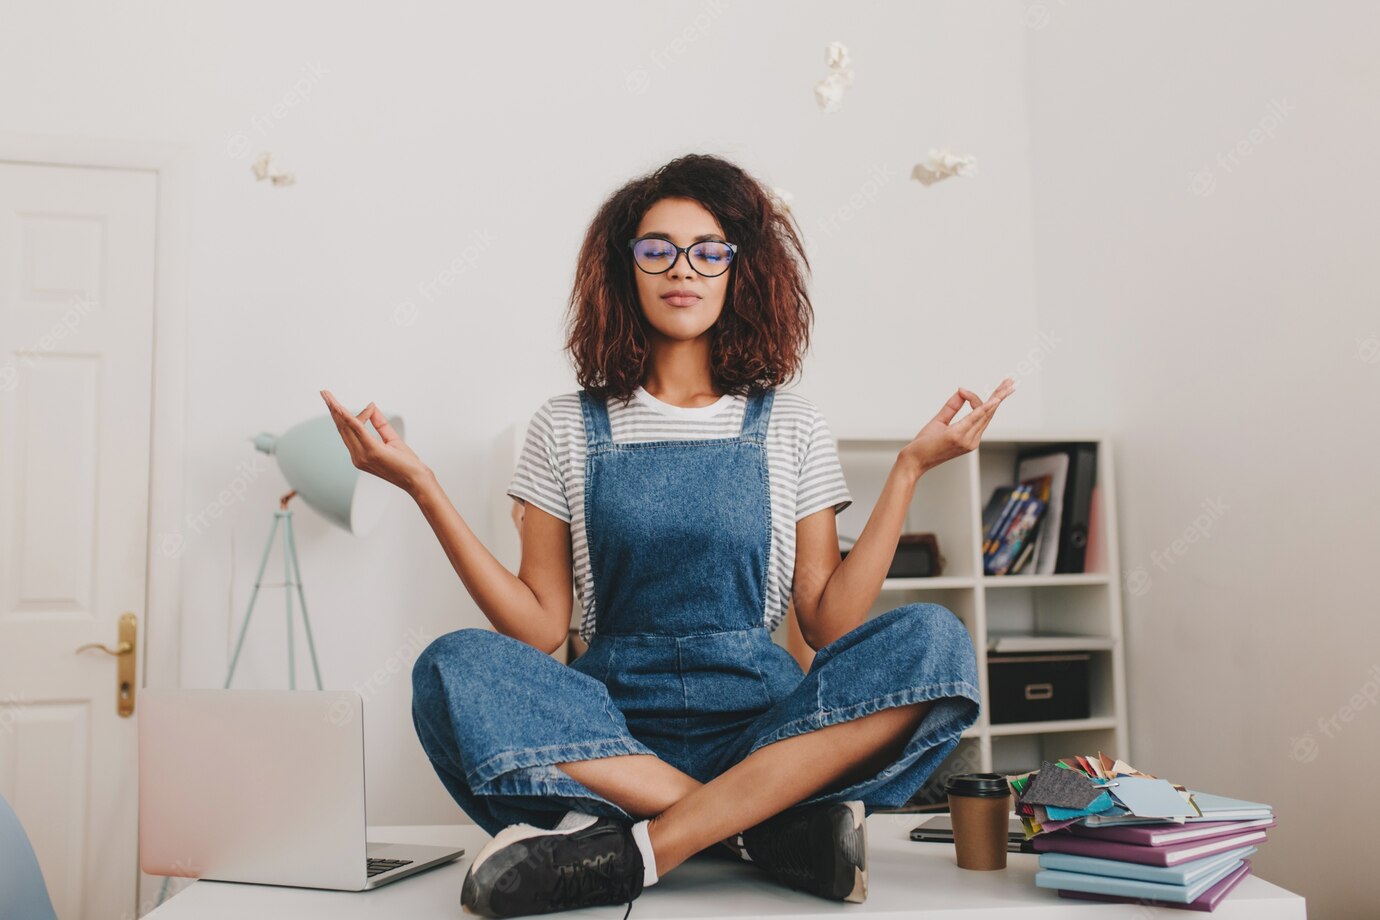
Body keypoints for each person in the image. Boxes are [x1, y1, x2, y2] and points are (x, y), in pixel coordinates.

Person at [320, 153, 1014, 919]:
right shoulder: (565, 424)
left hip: (766, 729)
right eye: (657, 249)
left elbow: (829, 623)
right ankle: (750, 829)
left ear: (738, 270)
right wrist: (423, 487)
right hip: (616, 738)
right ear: (626, 269)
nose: (682, 268)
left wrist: (911, 470)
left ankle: (651, 844)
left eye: (708, 250)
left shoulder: (790, 422)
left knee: (936, 640)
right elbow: (539, 628)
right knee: (450, 667)